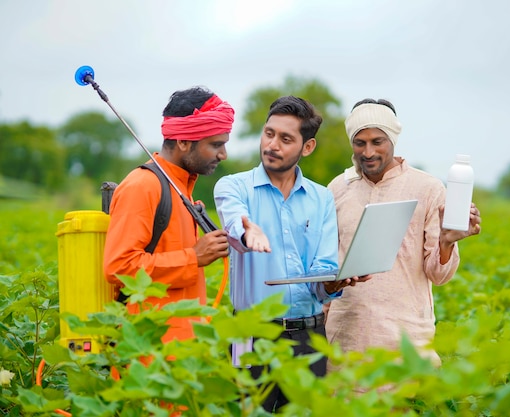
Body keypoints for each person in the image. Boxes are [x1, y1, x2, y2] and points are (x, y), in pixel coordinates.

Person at [214, 96, 368, 412]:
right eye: (269, 133)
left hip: (310, 336)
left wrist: (333, 283)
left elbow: (323, 267)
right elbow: (234, 221)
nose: (272, 145)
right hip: (253, 336)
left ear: (306, 147)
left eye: (286, 139)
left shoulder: (321, 198)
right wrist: (247, 232)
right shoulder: (233, 186)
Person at [324, 98, 482, 370]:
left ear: (393, 140)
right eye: (359, 142)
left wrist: (446, 242)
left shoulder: (427, 188)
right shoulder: (337, 189)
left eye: (378, 141)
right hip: (345, 341)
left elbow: (439, 275)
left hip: (407, 342)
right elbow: (324, 267)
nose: (368, 151)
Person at [103, 86, 233, 343]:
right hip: (148, 353)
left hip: (183, 348)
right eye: (216, 144)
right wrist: (193, 257)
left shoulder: (182, 188)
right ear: (183, 142)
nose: (223, 154)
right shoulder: (143, 186)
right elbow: (119, 267)